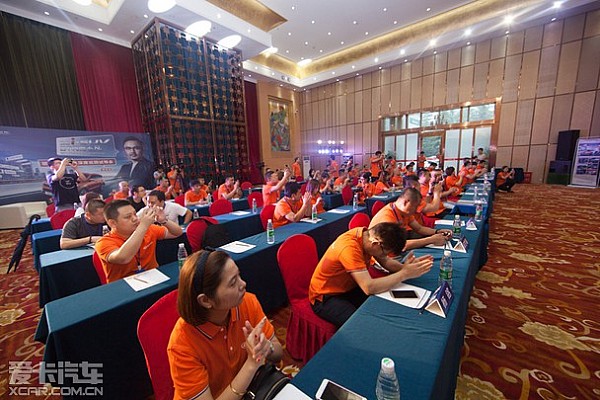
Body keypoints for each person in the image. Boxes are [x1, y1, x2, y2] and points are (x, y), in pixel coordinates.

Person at [167, 250, 283, 399]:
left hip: (252, 390)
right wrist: (251, 364)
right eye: (233, 283)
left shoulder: (248, 302)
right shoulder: (182, 344)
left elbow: (278, 353)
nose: (243, 284)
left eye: (239, 275)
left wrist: (267, 347)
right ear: (206, 300)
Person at [309, 222, 434, 327]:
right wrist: (404, 274)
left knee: (382, 306)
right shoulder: (349, 248)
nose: (385, 256)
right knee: (362, 324)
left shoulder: (367, 236)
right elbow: (368, 287)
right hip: (325, 297)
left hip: (349, 286)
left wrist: (405, 268)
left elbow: (386, 261)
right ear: (376, 244)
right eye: (385, 253)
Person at [95, 199, 182, 283]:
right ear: (112, 223)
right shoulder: (103, 242)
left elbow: (177, 233)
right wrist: (143, 226)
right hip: (124, 286)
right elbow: (123, 258)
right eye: (128, 217)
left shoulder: (148, 229)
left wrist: (164, 221)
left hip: (154, 278)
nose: (135, 219)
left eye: (135, 214)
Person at [369, 188, 452, 251]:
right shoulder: (387, 217)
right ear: (406, 202)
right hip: (385, 257)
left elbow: (419, 228)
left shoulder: (404, 212)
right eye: (415, 207)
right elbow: (400, 246)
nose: (416, 210)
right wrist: (430, 240)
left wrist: (437, 231)